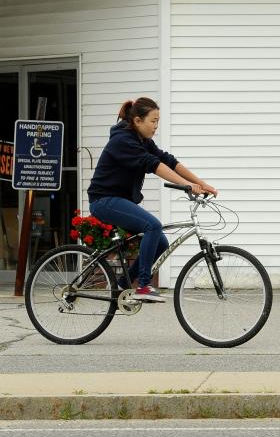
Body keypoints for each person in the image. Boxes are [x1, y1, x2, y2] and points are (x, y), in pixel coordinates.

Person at [87, 97, 217, 302]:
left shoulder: (142, 141)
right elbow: (154, 165)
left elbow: (168, 160)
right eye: (153, 121)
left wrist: (201, 183)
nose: (156, 126)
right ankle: (144, 287)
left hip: (120, 200)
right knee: (153, 226)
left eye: (158, 121)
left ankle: (124, 284)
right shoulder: (122, 140)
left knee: (161, 243)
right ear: (138, 121)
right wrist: (186, 185)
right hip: (104, 200)